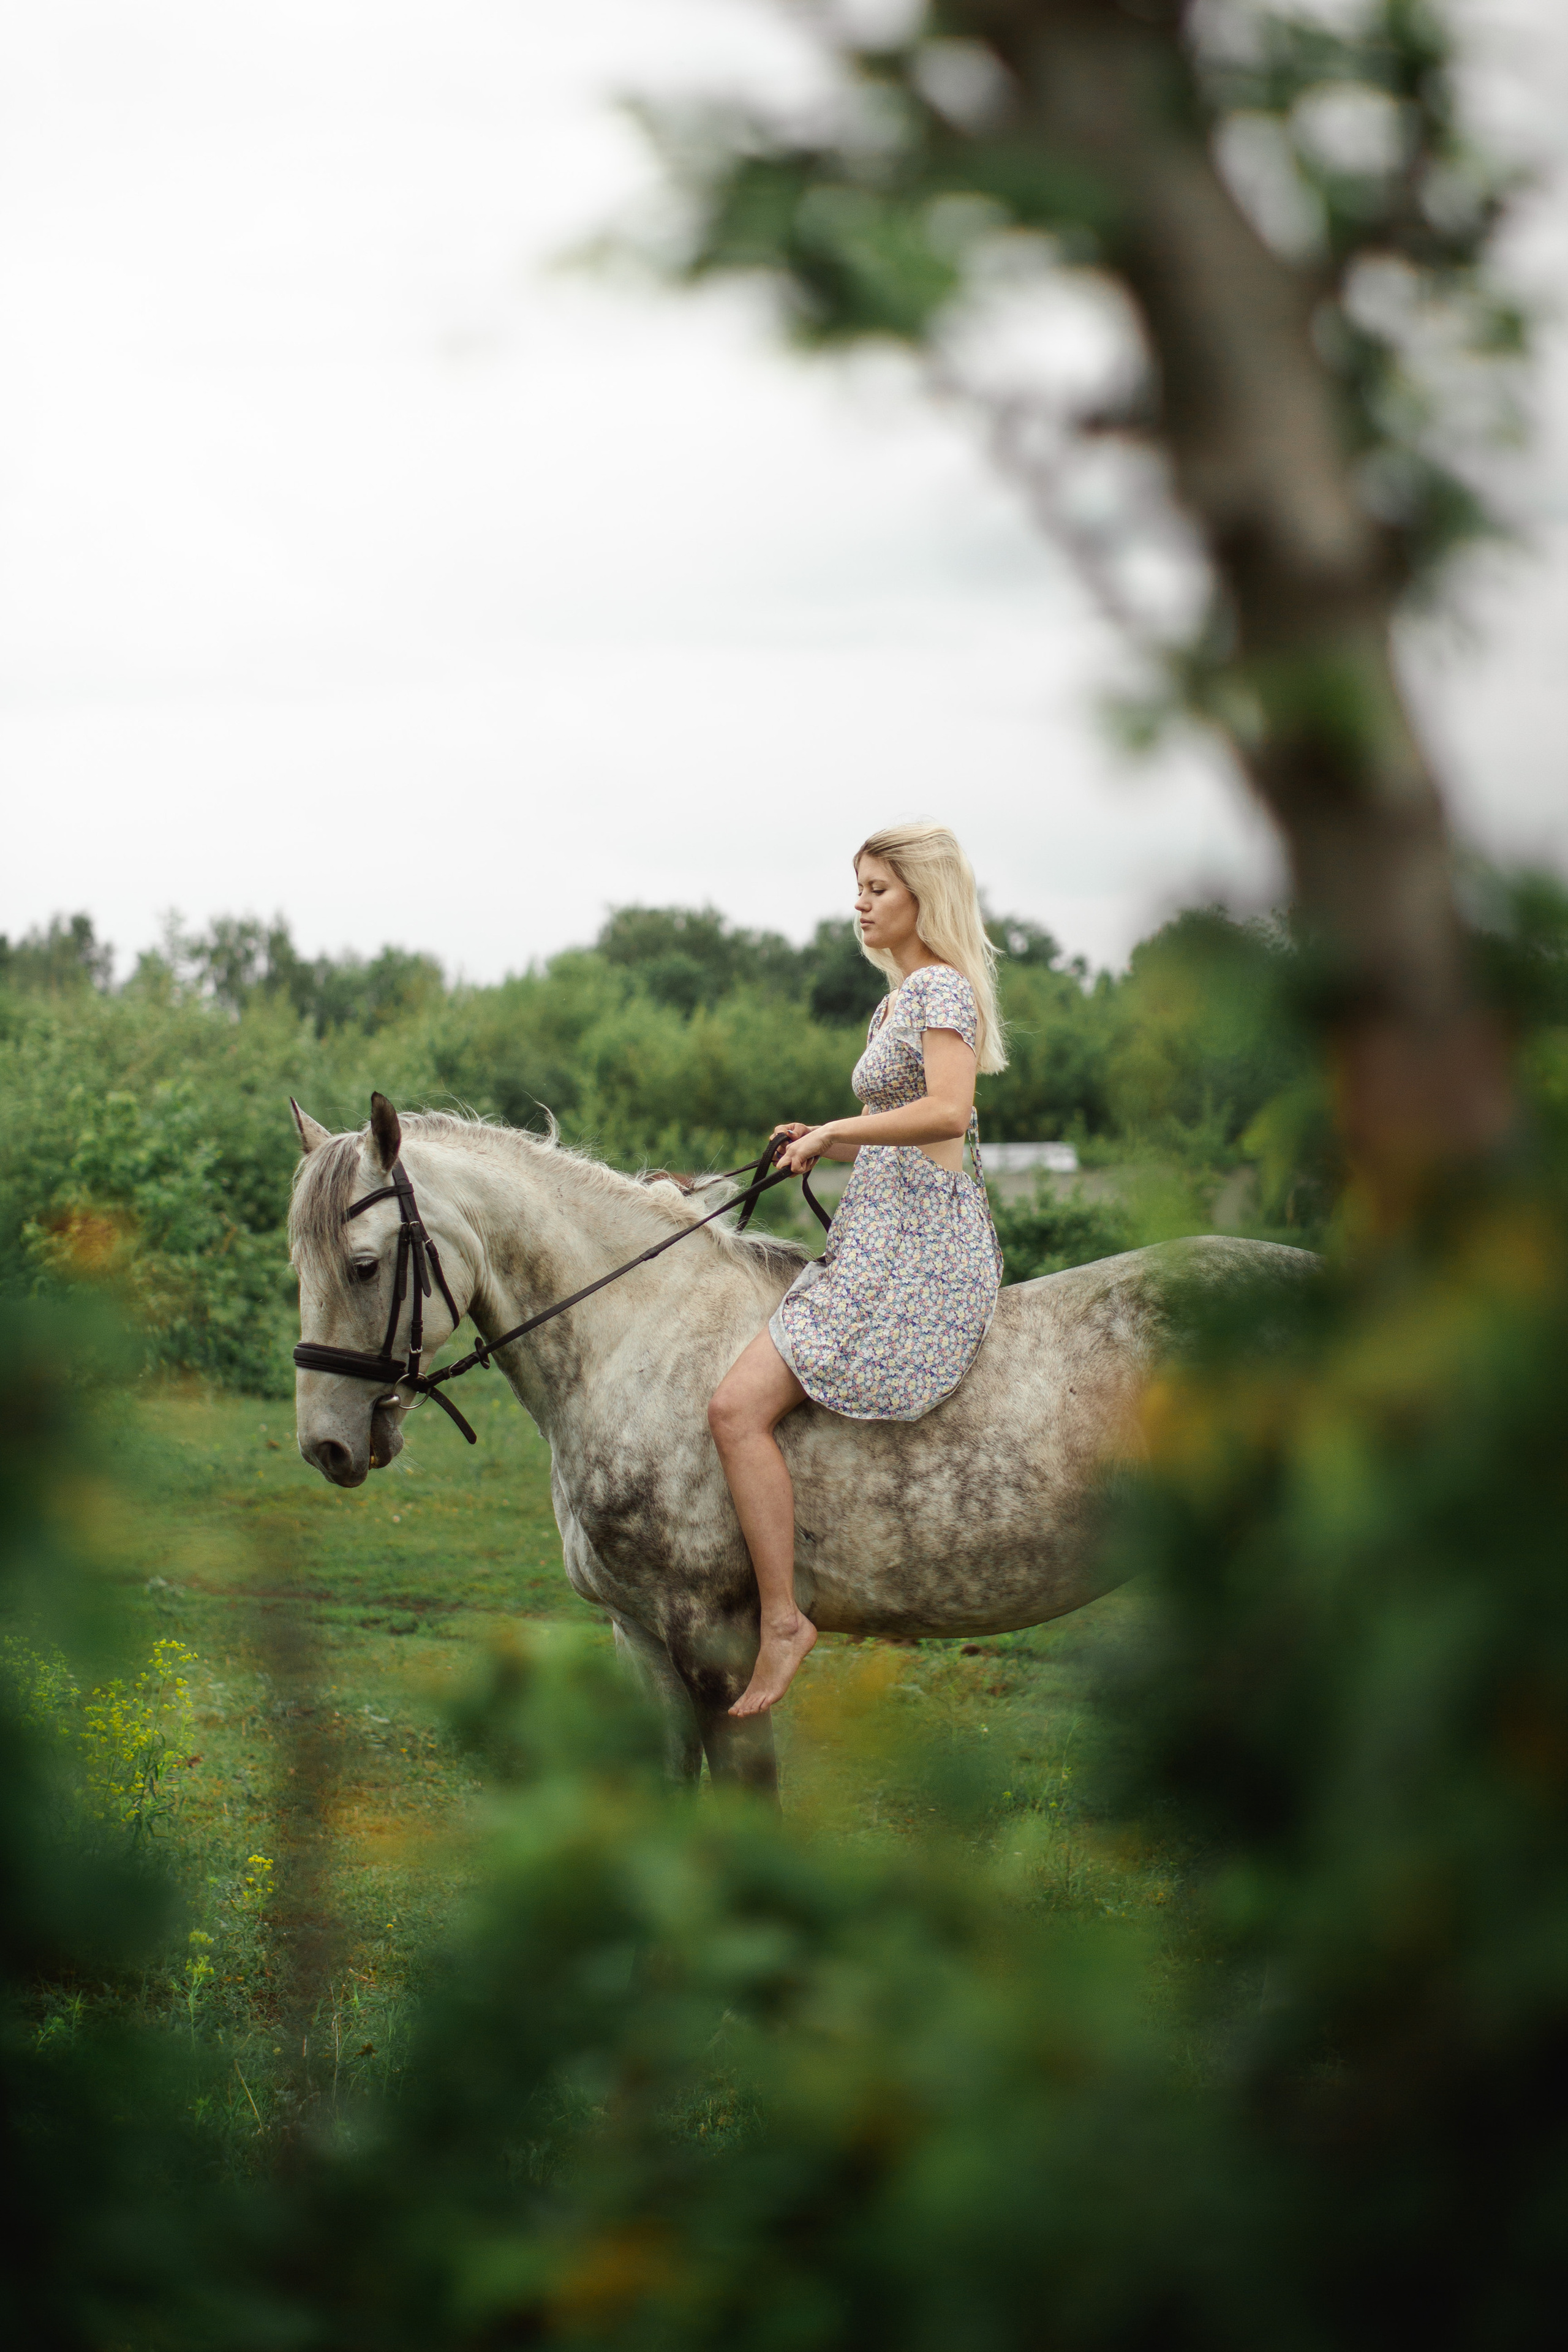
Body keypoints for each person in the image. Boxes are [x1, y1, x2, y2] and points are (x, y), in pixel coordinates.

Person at [708, 821, 1008, 1717]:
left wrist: (841, 1132)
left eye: (878, 887)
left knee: (734, 1408)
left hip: (918, 1247)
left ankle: (783, 1620)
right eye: (860, 887)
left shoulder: (942, 989)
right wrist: (822, 1136)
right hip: (883, 1227)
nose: (861, 904)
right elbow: (905, 1116)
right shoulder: (901, 999)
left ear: (924, 894)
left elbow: (949, 1113)